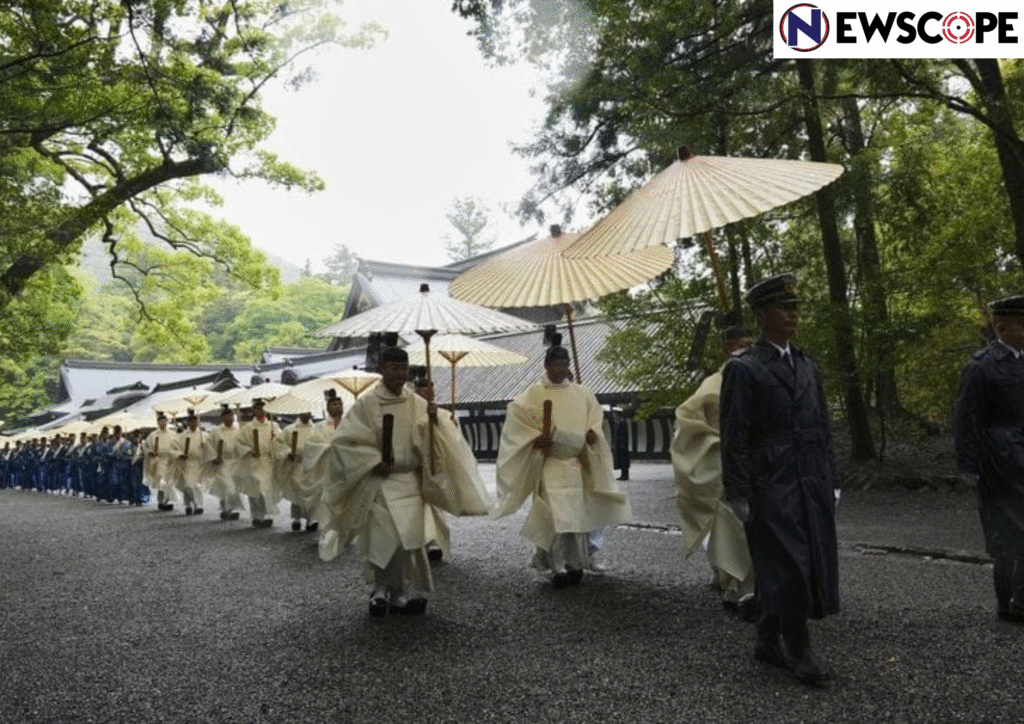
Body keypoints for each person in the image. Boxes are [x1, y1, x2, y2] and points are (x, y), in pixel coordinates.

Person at [720, 273, 840, 686]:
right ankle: (800, 650)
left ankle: (767, 640)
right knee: (790, 565)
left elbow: (822, 426)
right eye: (783, 308)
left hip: (809, 478)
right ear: (760, 315)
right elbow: (734, 433)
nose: (793, 315)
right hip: (770, 480)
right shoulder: (744, 368)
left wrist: (832, 477)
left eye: (795, 308)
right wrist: (737, 489)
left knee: (800, 560)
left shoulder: (807, 366)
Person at [322, 347, 490, 616]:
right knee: (384, 535)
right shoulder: (367, 404)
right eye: (393, 368)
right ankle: (379, 588)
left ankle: (398, 591)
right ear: (381, 368)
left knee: (409, 539)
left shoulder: (417, 403)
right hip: (380, 481)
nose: (399, 374)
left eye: (403, 368)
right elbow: (346, 442)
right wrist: (373, 460)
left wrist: (437, 420)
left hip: (409, 480)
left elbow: (433, 440)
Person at [492, 334, 632, 588]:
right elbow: (517, 420)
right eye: (556, 365)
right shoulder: (534, 394)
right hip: (550, 463)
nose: (561, 369)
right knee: (556, 516)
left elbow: (595, 418)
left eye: (565, 365)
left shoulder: (583, 393)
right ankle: (557, 566)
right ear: (546, 366)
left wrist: (592, 433)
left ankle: (576, 563)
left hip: (574, 462)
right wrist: (535, 439)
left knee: (575, 517)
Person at [672, 326, 756, 621]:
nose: (746, 350)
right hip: (725, 463)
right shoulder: (713, 383)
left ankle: (752, 585)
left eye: (750, 344)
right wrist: (713, 441)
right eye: (739, 346)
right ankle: (736, 586)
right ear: (726, 349)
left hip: (758, 464)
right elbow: (686, 417)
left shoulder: (760, 375)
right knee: (733, 525)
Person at [954, 295, 1024, 625]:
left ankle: (1019, 600)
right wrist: (969, 467)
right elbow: (966, 418)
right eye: (1021, 323)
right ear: (1001, 326)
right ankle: (1006, 602)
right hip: (998, 461)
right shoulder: (981, 366)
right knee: (1005, 533)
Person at [235, 398, 281, 528]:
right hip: (254, 461)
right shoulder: (248, 427)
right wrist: (249, 450)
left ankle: (265, 514)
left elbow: (280, 441)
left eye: (262, 408)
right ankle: (256, 515)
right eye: (257, 408)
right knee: (256, 487)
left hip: (267, 461)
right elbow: (239, 444)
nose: (260, 411)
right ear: (253, 410)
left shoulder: (273, 425)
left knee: (265, 488)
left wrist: (275, 440)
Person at [274, 409, 318, 532]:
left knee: (311, 493)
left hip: (311, 466)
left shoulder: (316, 429)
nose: (306, 415)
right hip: (296, 465)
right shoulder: (289, 429)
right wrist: (288, 453)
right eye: (304, 413)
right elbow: (279, 444)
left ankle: (311, 519)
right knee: (296, 492)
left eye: (308, 413)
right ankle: (296, 519)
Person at [205, 404, 243, 521]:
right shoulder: (216, 431)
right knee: (227, 486)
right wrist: (214, 457)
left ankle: (227, 509)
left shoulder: (238, 430)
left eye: (231, 416)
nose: (230, 419)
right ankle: (227, 509)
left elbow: (243, 443)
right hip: (222, 462)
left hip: (235, 462)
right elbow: (208, 445)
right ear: (223, 418)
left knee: (233, 487)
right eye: (227, 417)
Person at [170, 410, 207, 515]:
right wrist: (180, 454)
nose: (193, 424)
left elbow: (209, 448)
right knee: (187, 485)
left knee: (196, 485)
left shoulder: (202, 435)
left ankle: (197, 505)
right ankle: (188, 504)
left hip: (198, 463)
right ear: (188, 423)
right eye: (191, 422)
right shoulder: (182, 436)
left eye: (195, 422)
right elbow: (173, 448)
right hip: (187, 463)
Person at [143, 413, 178, 511]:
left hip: (170, 461)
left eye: (164, 422)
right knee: (161, 480)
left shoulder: (172, 434)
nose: (162, 424)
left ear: (167, 422)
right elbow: (146, 447)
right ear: (158, 423)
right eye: (160, 422)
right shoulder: (153, 435)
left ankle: (165, 501)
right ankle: (162, 501)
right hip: (159, 460)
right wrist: (151, 452)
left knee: (169, 482)